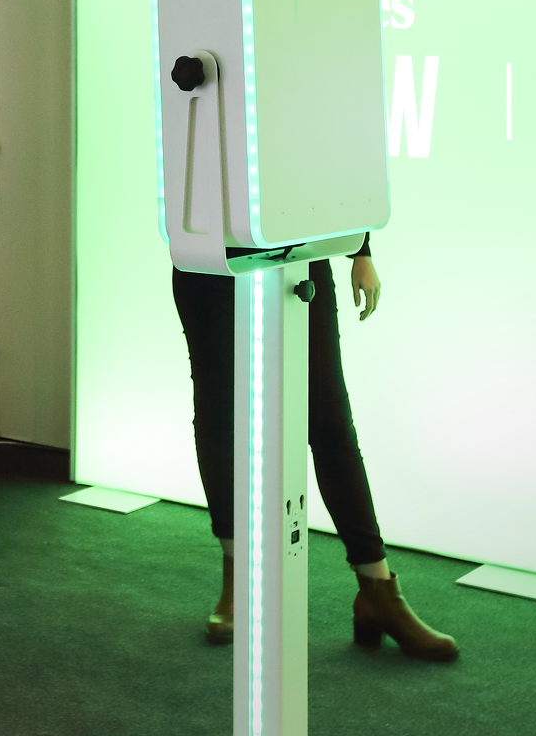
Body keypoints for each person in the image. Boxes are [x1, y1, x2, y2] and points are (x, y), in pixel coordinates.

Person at [172, 241, 459, 661]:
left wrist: (361, 251)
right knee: (221, 421)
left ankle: (377, 591)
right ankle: (239, 580)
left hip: (300, 251)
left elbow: (338, 188)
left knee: (327, 420)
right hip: (210, 257)